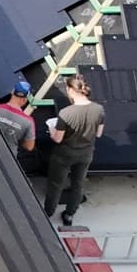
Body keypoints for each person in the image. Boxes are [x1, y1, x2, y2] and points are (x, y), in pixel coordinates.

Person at [41, 75, 105, 226]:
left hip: (64, 154)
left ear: (70, 90)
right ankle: (69, 214)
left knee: (56, 184)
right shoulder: (99, 109)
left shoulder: (66, 113)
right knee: (78, 184)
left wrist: (51, 130)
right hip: (86, 154)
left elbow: (57, 139)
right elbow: (99, 133)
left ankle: (48, 213)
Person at [0, 80, 36, 157]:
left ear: (12, 92)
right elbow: (29, 147)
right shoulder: (28, 121)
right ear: (25, 99)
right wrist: (16, 139)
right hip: (8, 159)